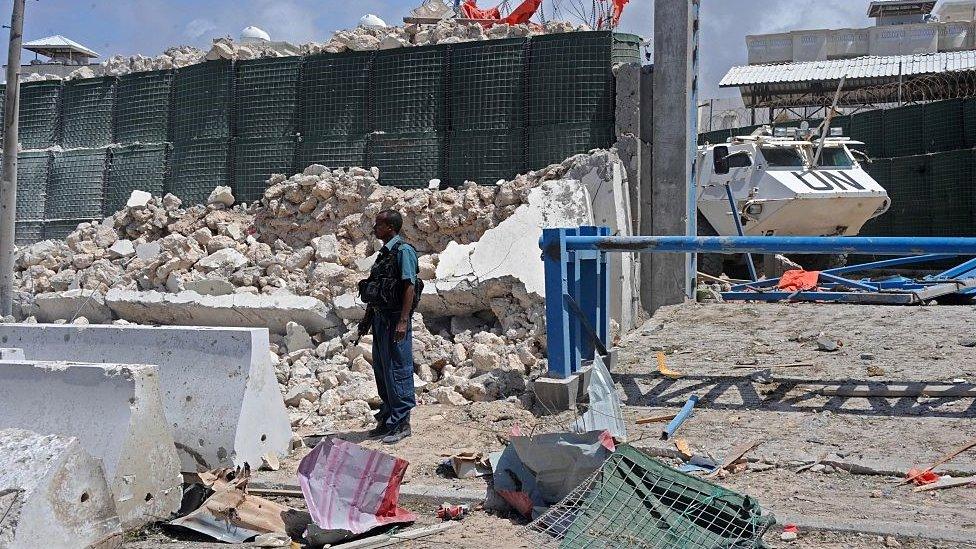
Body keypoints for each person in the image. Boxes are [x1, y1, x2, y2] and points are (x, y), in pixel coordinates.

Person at [357, 209, 419, 444]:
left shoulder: (404, 251)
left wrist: (403, 321)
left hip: (395, 320)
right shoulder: (384, 254)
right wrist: (366, 320)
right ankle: (387, 419)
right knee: (382, 370)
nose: (375, 228)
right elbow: (377, 290)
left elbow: (409, 287)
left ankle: (402, 422)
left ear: (390, 228)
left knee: (397, 369)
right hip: (380, 320)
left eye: (379, 225)